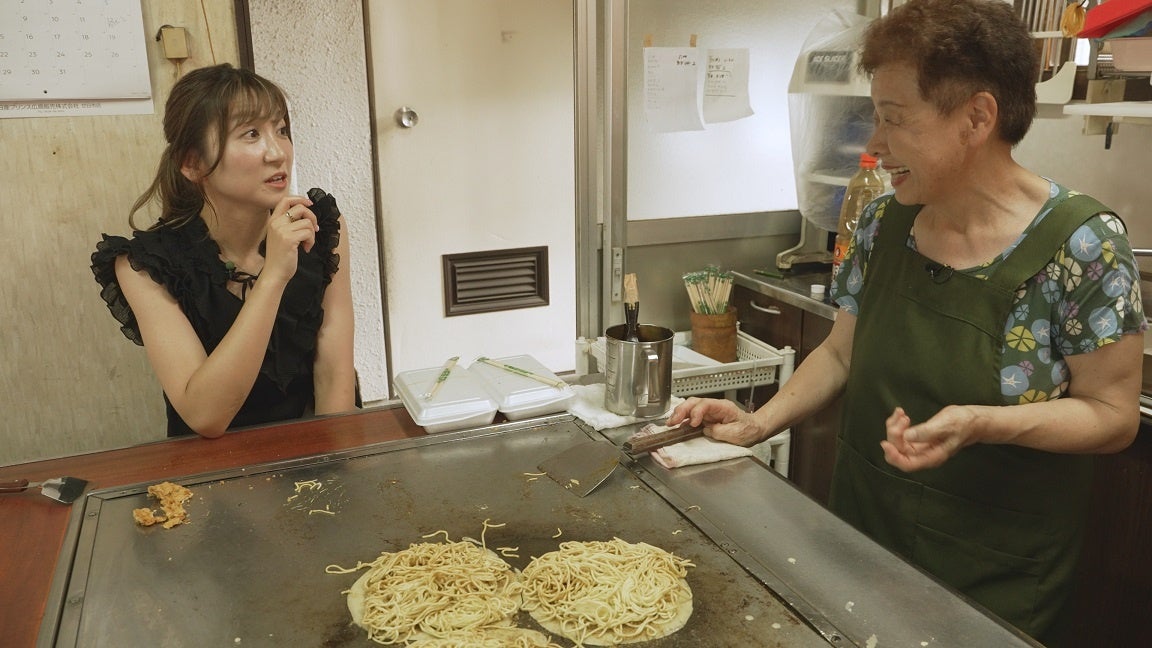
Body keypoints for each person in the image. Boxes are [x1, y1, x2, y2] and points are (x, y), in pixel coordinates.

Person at [667, 0, 1145, 644]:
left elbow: (1112, 414)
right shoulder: (881, 224)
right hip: (862, 537)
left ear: (977, 117)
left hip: (994, 572)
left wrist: (985, 423)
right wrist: (760, 421)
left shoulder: (1083, 245)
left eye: (893, 120)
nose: (874, 144)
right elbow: (841, 353)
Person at [92, 63, 358, 439]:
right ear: (192, 162)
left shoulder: (320, 227)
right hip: (213, 469)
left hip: (311, 451)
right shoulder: (146, 266)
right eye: (251, 134)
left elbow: (333, 379)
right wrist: (274, 277)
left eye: (281, 130)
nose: (277, 152)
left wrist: (332, 476)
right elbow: (206, 416)